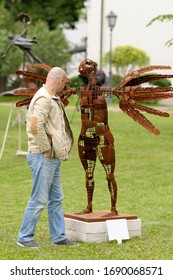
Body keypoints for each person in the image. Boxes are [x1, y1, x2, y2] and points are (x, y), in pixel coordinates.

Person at [17, 67, 75, 248]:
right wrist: (46, 149)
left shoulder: (51, 97)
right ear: (59, 81)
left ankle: (59, 236)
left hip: (52, 157)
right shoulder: (44, 98)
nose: (64, 88)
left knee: (56, 198)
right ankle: (24, 237)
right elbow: (35, 126)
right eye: (64, 84)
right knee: (39, 198)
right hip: (43, 157)